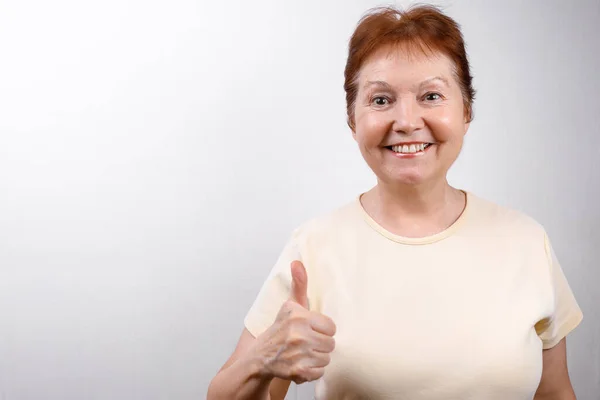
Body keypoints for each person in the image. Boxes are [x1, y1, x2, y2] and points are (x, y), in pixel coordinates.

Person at [207, 5, 583, 400]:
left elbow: (557, 392)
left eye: (431, 95)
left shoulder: (526, 241)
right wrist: (261, 361)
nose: (406, 121)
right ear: (353, 120)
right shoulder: (314, 248)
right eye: (381, 100)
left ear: (466, 110)